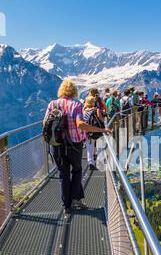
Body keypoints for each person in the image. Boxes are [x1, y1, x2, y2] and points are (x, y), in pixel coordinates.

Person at [43, 79, 111, 217]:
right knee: (77, 170)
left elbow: (45, 123)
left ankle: (66, 206)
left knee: (63, 174)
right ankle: (75, 199)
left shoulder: (53, 104)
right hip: (74, 145)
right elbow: (80, 124)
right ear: (73, 91)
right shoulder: (76, 105)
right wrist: (102, 130)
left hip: (57, 145)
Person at [83, 95, 106, 171]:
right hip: (97, 130)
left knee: (89, 148)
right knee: (100, 146)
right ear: (93, 102)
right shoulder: (96, 109)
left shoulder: (84, 110)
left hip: (87, 131)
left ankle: (90, 163)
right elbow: (101, 120)